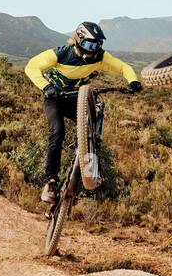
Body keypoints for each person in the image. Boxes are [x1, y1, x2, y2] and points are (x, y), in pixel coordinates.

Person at [25, 21, 141, 203]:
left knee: (92, 130)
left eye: (96, 45)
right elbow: (31, 66)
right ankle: (50, 182)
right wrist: (46, 86)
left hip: (74, 99)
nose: (92, 49)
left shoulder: (100, 57)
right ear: (78, 40)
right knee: (57, 131)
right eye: (88, 44)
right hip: (54, 98)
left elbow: (123, 67)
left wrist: (133, 81)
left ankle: (89, 175)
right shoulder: (62, 52)